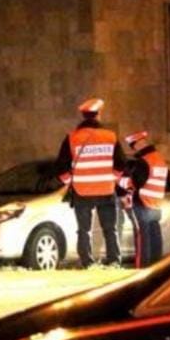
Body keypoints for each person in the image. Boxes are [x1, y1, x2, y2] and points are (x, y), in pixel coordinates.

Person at [54, 98, 126, 268]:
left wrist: (71, 182)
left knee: (84, 230)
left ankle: (87, 262)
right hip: (106, 190)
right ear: (98, 115)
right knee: (110, 229)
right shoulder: (110, 136)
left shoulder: (72, 138)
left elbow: (61, 168)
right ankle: (114, 260)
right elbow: (121, 164)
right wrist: (111, 179)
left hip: (82, 191)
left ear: (83, 116)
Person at [120, 130, 170, 268]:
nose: (134, 149)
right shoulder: (160, 159)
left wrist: (121, 182)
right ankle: (157, 266)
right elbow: (168, 185)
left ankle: (143, 268)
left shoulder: (144, 161)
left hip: (143, 203)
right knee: (155, 235)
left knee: (142, 239)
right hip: (156, 203)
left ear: (139, 144)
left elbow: (137, 182)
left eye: (133, 146)